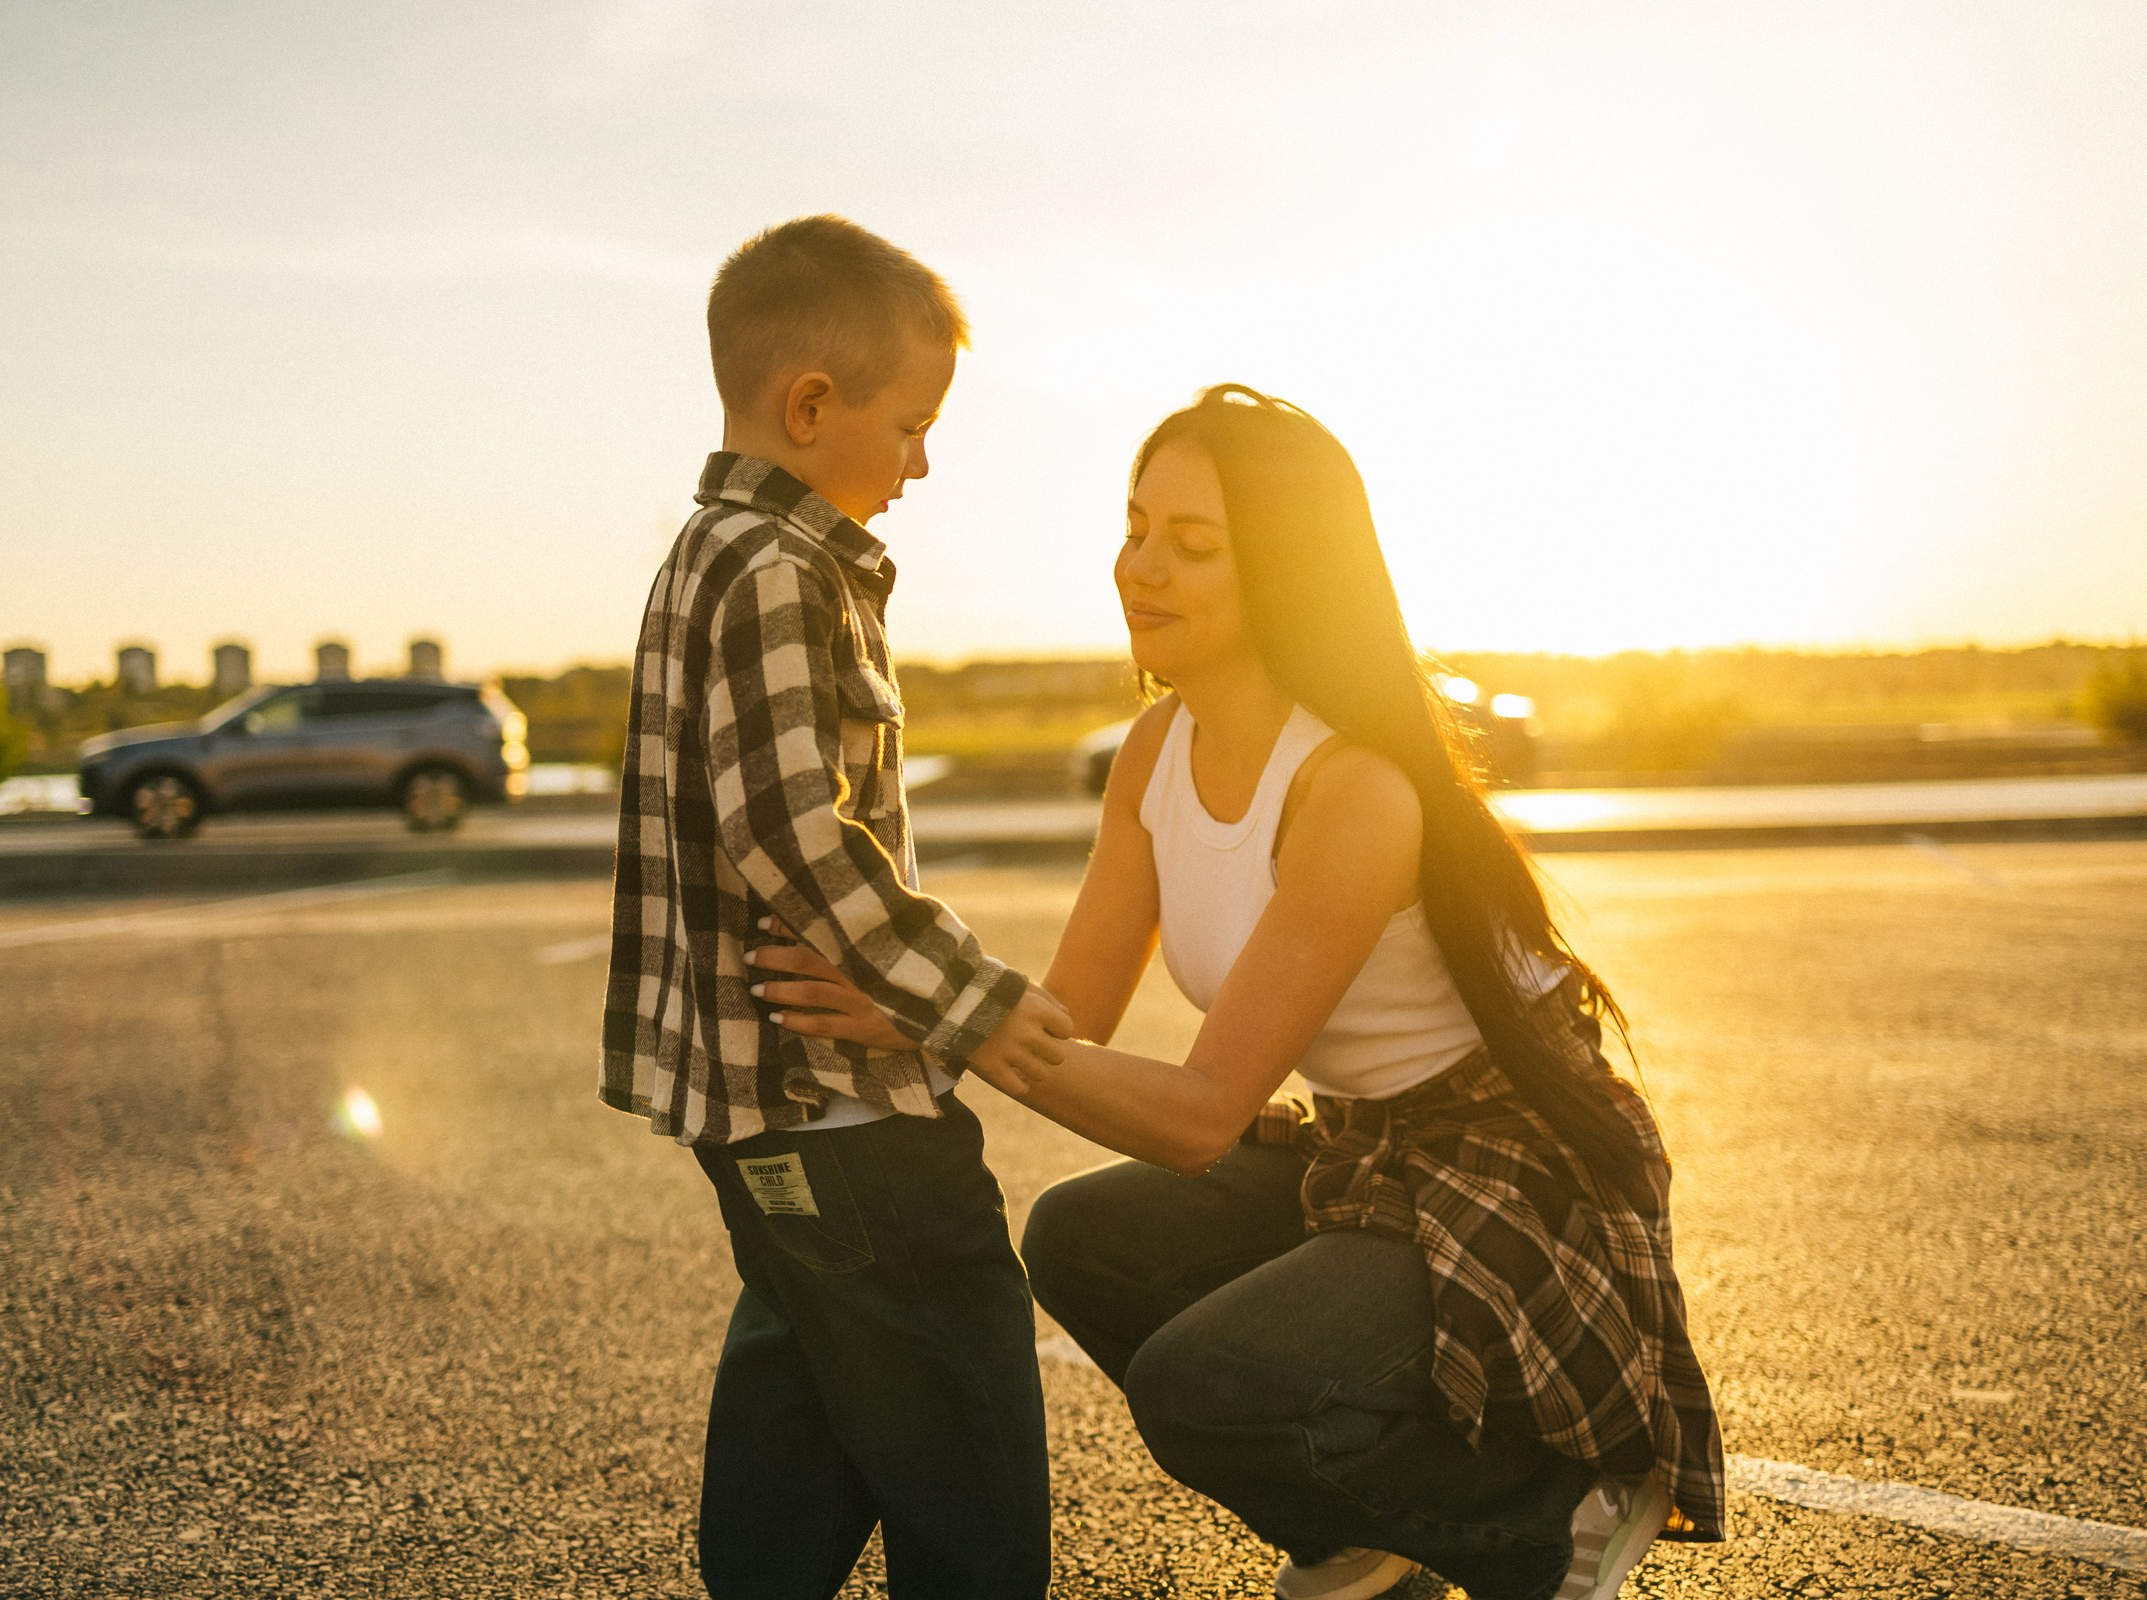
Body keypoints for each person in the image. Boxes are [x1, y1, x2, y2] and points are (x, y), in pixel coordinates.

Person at [748, 386, 1726, 1600]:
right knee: (1082, 1237)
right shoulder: (1157, 753)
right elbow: (1076, 1020)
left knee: (1206, 1386)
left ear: (1288, 571)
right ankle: (1356, 1549)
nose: (1140, 567)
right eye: (1135, 525)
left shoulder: (1353, 788)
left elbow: (1203, 1113)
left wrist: (953, 1015)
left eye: (1192, 544)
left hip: (1515, 1169)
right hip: (1367, 1147)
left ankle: (1551, 1516)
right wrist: (919, 1010)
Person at [598, 215, 1073, 1600]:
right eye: (913, 425)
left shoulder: (707, 555)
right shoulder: (778, 572)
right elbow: (804, 844)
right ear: (812, 404)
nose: (923, 462)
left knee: (806, 1421)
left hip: (761, 1117)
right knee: (970, 1465)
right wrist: (987, 1014)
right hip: (846, 1109)